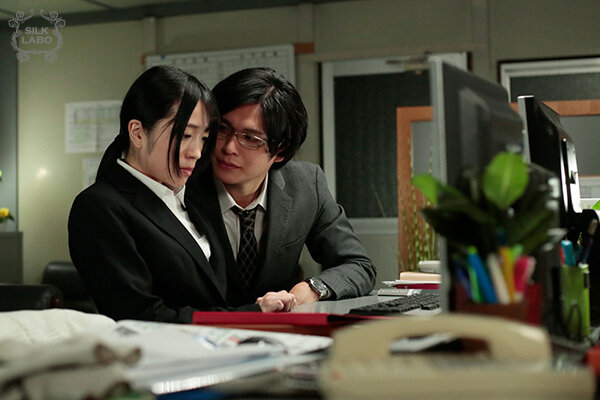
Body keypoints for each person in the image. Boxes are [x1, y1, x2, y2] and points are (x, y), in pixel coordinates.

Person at [68, 66, 296, 323]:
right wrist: (252, 314)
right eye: (186, 135)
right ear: (138, 133)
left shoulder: (185, 198)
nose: (196, 152)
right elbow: (139, 316)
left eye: (204, 138)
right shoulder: (99, 207)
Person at [186, 67, 376, 307]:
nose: (228, 148)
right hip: (196, 325)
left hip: (281, 328)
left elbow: (359, 266)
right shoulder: (182, 183)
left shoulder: (306, 185)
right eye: (222, 129)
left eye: (250, 138)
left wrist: (313, 289)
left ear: (281, 151)